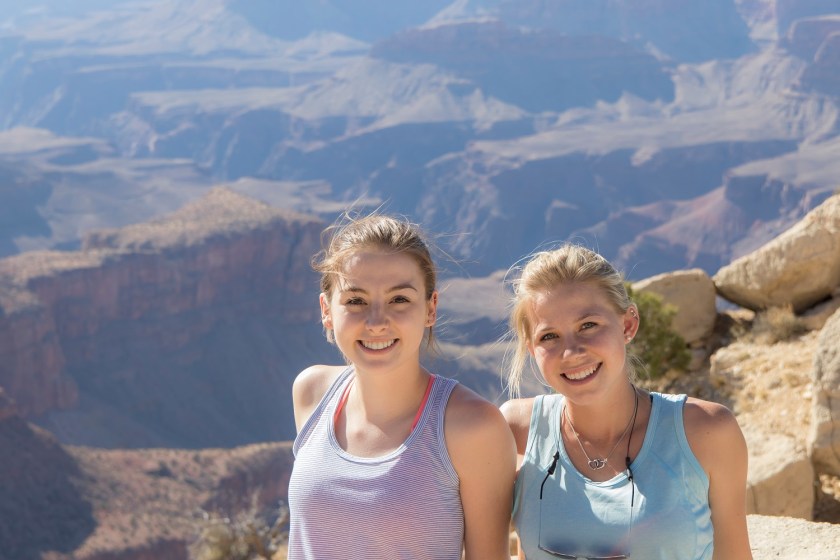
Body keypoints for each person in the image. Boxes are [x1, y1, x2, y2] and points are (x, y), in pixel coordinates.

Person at [287, 214, 516, 560]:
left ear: (430, 308)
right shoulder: (311, 393)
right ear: (327, 311)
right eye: (355, 301)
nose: (377, 321)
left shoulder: (472, 427)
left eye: (399, 300)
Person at [501, 245, 752, 560]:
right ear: (531, 347)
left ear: (628, 324)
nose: (571, 352)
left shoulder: (707, 432)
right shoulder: (515, 431)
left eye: (588, 325)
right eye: (549, 336)